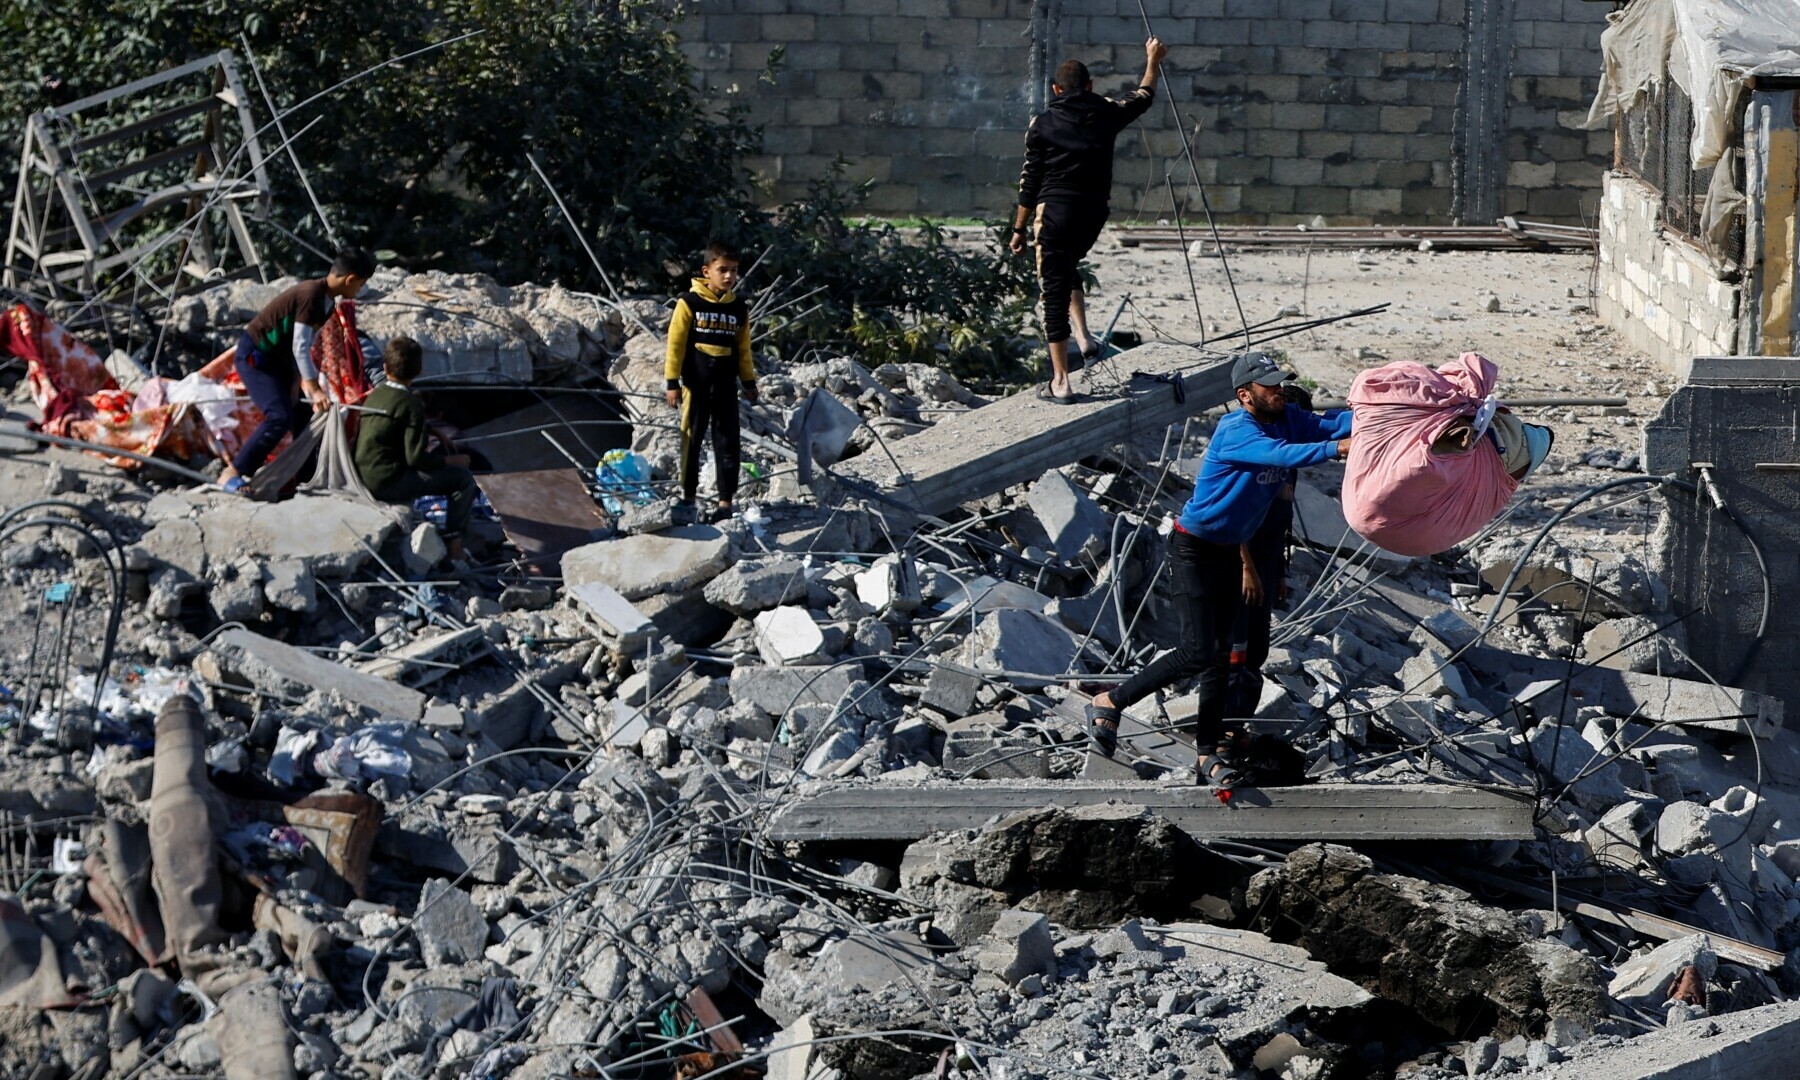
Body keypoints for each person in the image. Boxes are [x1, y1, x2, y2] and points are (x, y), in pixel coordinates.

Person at [1085, 352, 1353, 787]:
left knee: (1223, 659)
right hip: (1194, 550)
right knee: (1198, 651)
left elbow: (1335, 423)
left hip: (1228, 551)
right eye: (1270, 386)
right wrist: (1338, 449)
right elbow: (1283, 454)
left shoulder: (1288, 418)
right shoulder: (1236, 430)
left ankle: (1207, 754)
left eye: (1281, 383)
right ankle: (1111, 700)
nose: (1279, 391)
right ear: (1245, 395)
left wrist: (1401, 419)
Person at [1010, 36, 1167, 404]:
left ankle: (1060, 382)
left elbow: (1029, 182)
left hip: (1055, 213)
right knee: (1066, 266)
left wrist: (1018, 228)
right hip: (1093, 214)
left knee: (1052, 290)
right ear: (1090, 86)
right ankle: (1084, 339)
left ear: (1056, 89)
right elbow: (1144, 95)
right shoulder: (1106, 112)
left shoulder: (1042, 123)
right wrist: (1153, 59)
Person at [218, 246, 377, 492]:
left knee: (302, 415)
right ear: (350, 279)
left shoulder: (327, 303)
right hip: (256, 357)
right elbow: (300, 345)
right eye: (360, 285)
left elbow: (303, 345)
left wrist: (296, 381)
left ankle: (305, 477)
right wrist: (313, 388)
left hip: (279, 360)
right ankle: (234, 471)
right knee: (278, 417)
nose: (359, 291)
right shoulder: (310, 295)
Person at [355, 336, 478, 564]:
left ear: (385, 367)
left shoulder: (376, 395)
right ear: (419, 371)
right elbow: (416, 458)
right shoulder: (410, 403)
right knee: (462, 480)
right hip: (388, 483)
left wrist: (430, 429)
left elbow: (392, 424)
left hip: (364, 476)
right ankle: (454, 545)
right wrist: (451, 461)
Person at [665, 240, 759, 522]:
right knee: (691, 441)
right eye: (723, 270)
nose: (729, 276)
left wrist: (749, 382)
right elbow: (675, 345)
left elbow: (743, 349)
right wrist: (672, 383)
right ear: (707, 271)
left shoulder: (738, 308)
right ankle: (688, 499)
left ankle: (725, 503)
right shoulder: (688, 303)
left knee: (728, 443)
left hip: (726, 387)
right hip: (695, 386)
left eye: (734, 270)